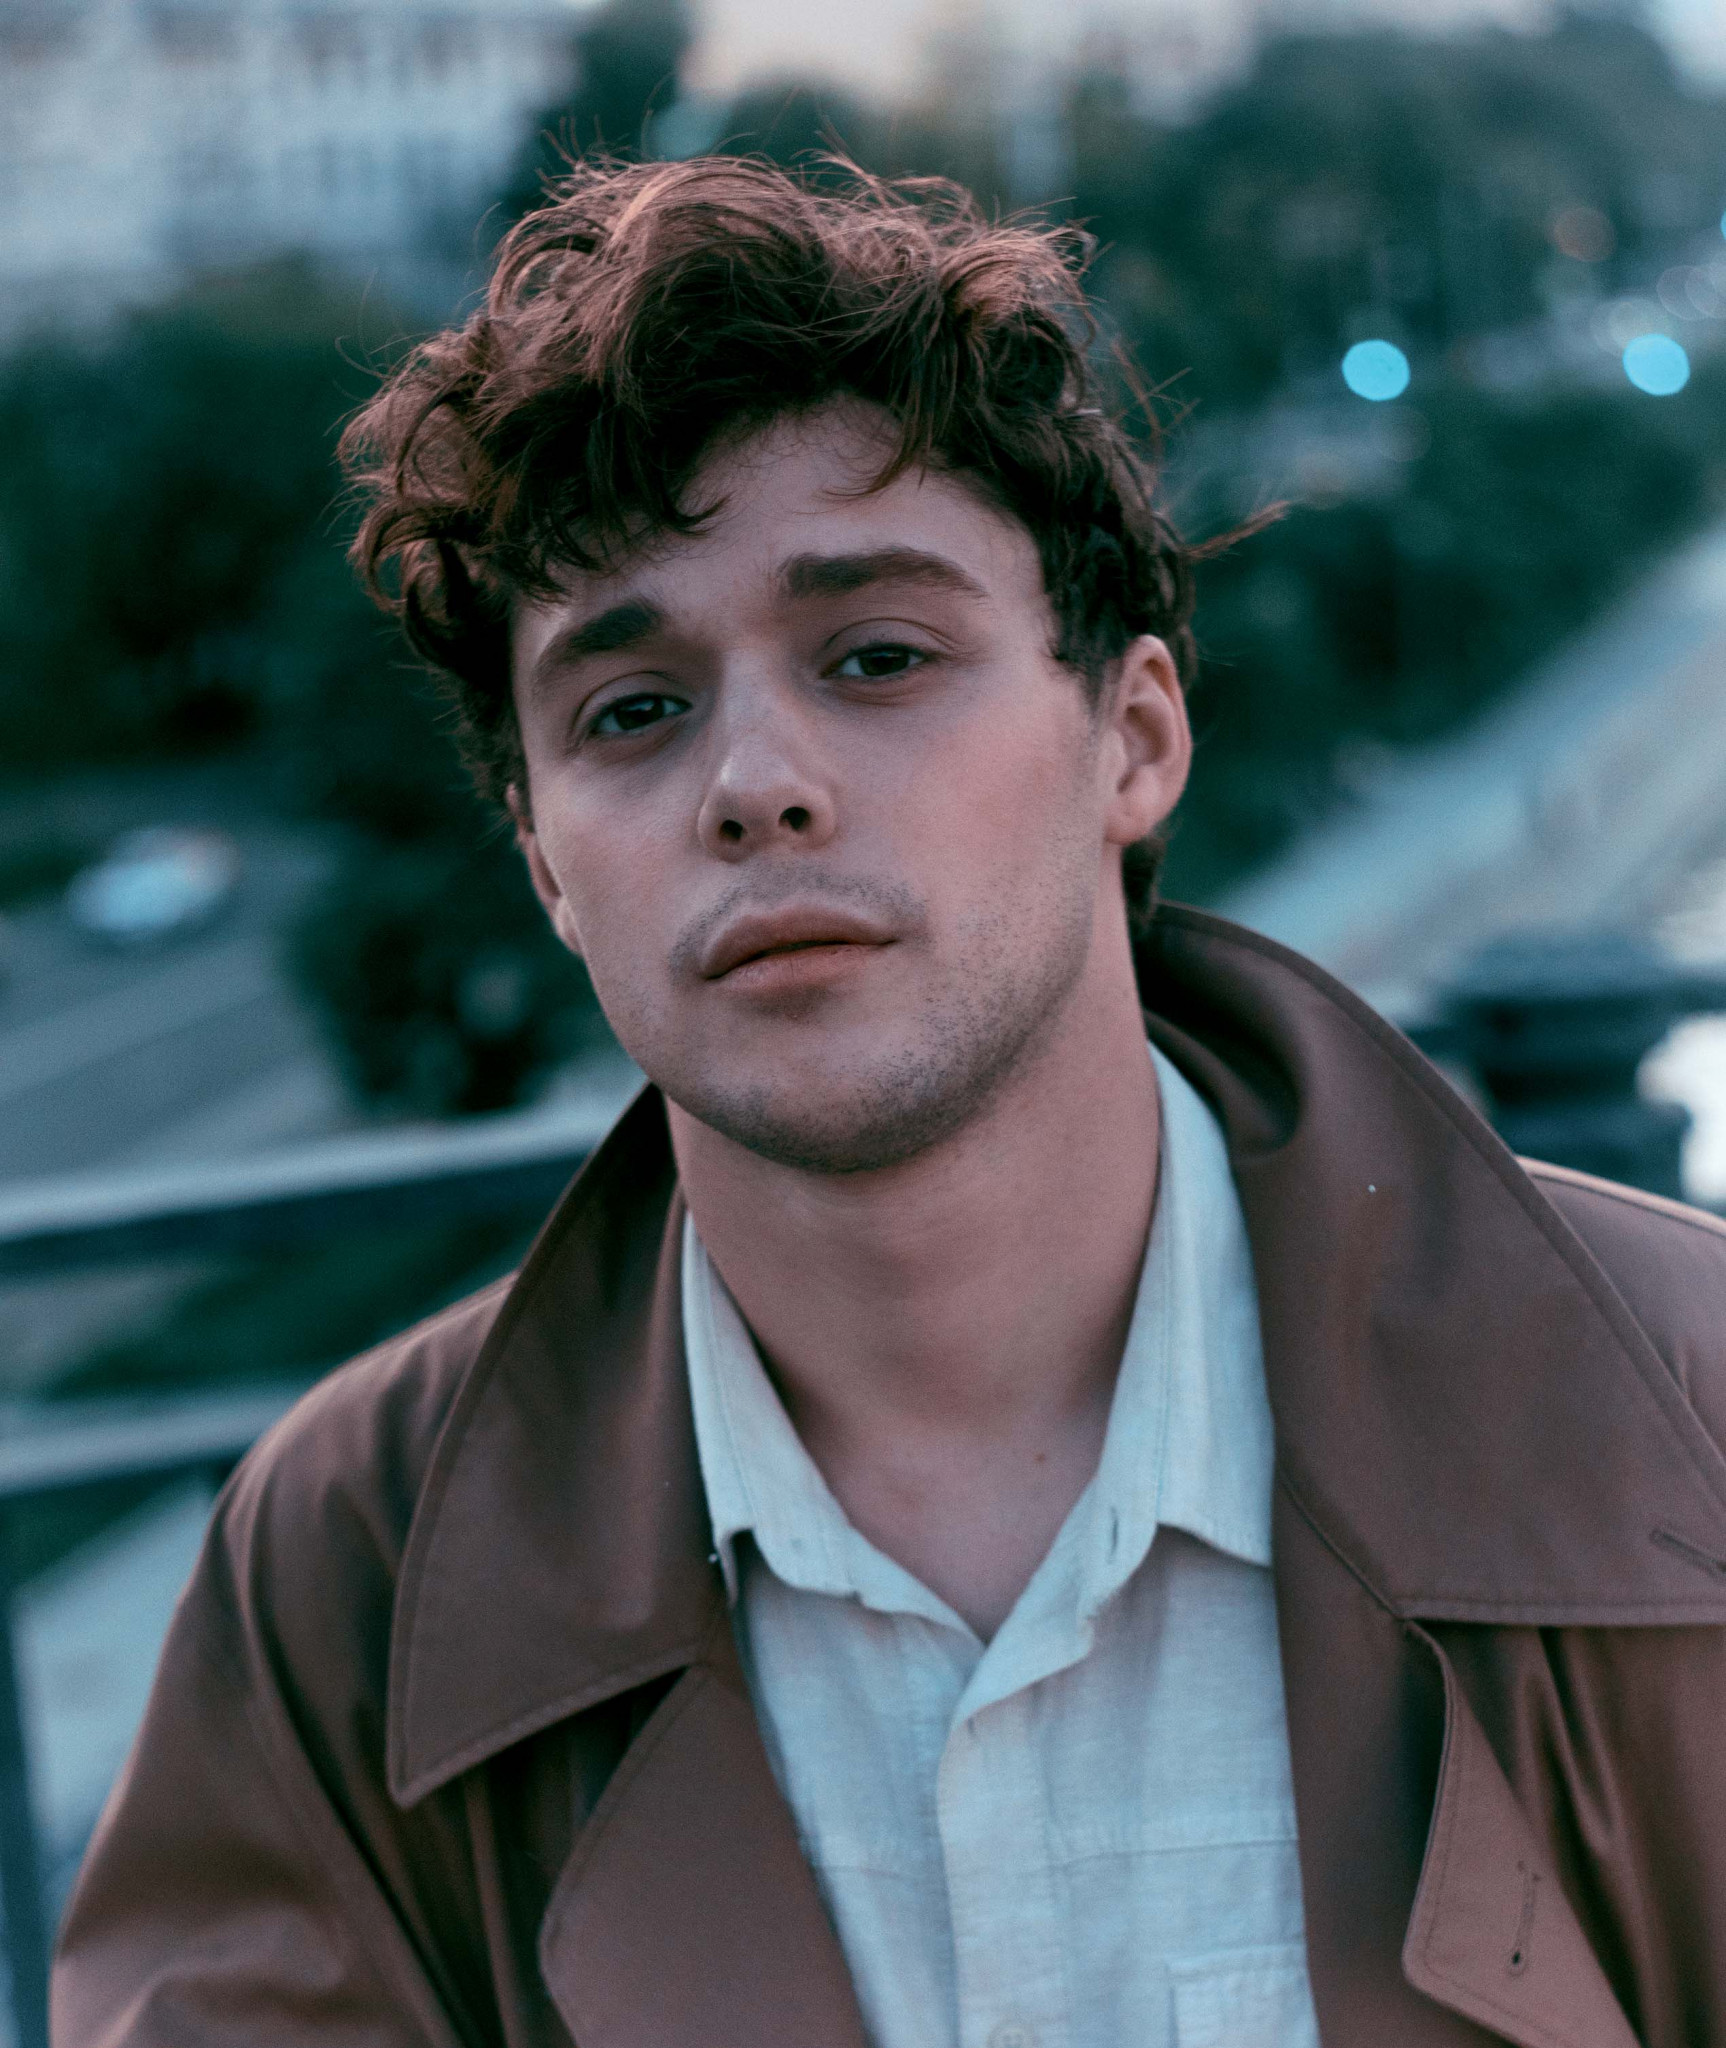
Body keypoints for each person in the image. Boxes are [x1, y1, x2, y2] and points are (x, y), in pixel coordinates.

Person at [53, 158, 1726, 2048]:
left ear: (1133, 740)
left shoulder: (1681, 1415)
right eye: (631, 710)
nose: (754, 783)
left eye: (876, 658)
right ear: (544, 865)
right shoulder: (345, 1584)